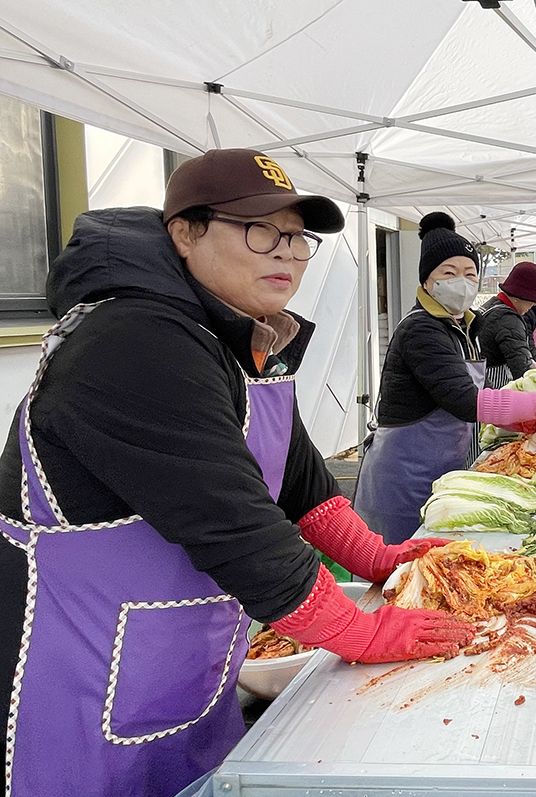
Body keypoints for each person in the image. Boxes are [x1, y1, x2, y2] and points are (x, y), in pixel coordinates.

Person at [0, 150, 480, 796]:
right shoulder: (133, 337)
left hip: (178, 669)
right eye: (259, 230)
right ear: (185, 232)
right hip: (75, 677)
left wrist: (376, 558)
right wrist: (360, 631)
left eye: (297, 237)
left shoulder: (238, 338)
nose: (286, 253)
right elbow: (238, 524)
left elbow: (300, 484)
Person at [355, 215, 536, 544]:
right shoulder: (422, 328)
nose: (461, 282)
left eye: (470, 273)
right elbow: (464, 399)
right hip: (404, 475)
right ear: (426, 280)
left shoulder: (462, 326)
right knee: (399, 562)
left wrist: (518, 418)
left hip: (440, 465)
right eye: (448, 273)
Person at [478, 261, 536, 388]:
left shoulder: (492, 305)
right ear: (521, 295)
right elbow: (522, 365)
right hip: (495, 385)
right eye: (532, 301)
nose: (532, 305)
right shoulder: (507, 318)